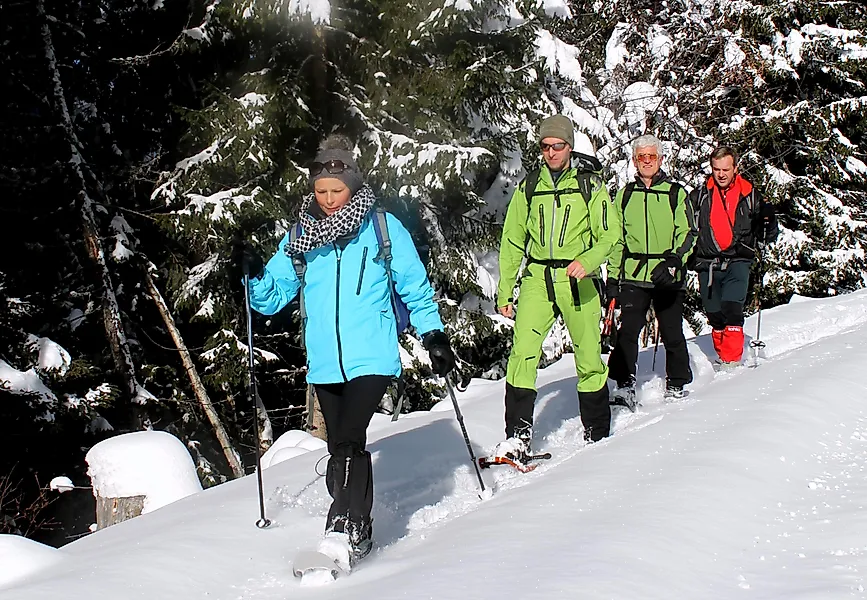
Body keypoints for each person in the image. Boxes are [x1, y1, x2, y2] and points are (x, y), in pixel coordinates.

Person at [235, 134, 455, 571]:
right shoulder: (301, 235)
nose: (330, 199)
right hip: (324, 360)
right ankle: (362, 527)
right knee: (340, 445)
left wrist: (433, 336)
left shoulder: (381, 227)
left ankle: (344, 526)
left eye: (337, 191)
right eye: (321, 191)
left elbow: (414, 285)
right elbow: (271, 297)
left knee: (351, 437)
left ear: (353, 186)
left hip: (371, 354)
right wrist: (252, 274)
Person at [495, 114, 621, 458]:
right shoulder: (530, 185)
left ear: (569, 147)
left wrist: (589, 260)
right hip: (538, 278)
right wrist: (505, 290)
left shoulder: (589, 185)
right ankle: (517, 438)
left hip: (577, 279)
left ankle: (597, 431)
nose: (551, 152)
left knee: (588, 355)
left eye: (558, 146)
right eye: (546, 146)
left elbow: (611, 234)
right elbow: (513, 238)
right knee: (522, 354)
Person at [607, 135, 697, 402]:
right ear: (635, 161)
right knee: (629, 331)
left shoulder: (675, 193)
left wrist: (674, 261)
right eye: (641, 157)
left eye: (652, 157)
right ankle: (624, 384)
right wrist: (613, 277)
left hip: (668, 274)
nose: (647, 162)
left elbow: (689, 232)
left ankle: (677, 382)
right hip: (634, 273)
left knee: (671, 330)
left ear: (660, 159)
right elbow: (616, 239)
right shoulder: (625, 195)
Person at [689, 146, 778, 367]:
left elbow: (767, 231)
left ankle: (731, 360)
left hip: (739, 258)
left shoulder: (750, 195)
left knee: (732, 307)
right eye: (716, 169)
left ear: (735, 168)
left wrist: (768, 224)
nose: (721, 174)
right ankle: (722, 354)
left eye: (725, 169)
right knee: (714, 313)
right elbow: (685, 227)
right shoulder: (699, 196)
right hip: (707, 263)